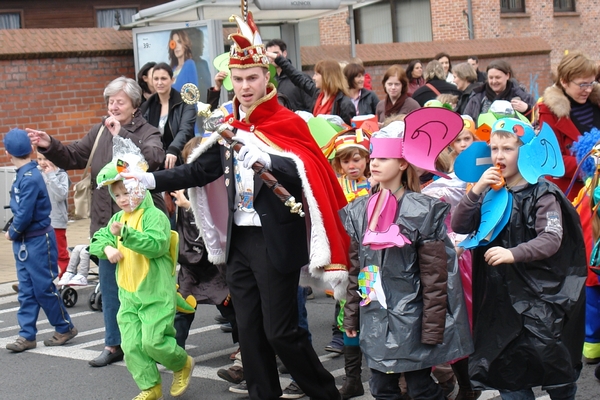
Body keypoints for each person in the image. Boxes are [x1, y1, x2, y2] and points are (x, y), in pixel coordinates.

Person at [125, 12, 349, 400]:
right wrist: (150, 179)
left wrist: (267, 159)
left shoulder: (287, 122)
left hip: (275, 239)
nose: (244, 87)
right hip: (239, 242)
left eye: (252, 79)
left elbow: (308, 172)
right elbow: (200, 171)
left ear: (267, 80)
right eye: (238, 80)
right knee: (249, 330)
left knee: (281, 331)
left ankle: (324, 393)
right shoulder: (227, 124)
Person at [27, 76, 166, 368]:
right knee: (110, 287)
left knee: (146, 288)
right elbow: (75, 156)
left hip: (140, 224)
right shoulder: (100, 131)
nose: (113, 107)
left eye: (120, 101)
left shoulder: (148, 131)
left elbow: (153, 158)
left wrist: (123, 136)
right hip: (106, 225)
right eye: (110, 101)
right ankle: (113, 343)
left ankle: (153, 341)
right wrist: (49, 143)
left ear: (134, 105)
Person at [451, 119, 586, 400]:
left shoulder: (542, 193)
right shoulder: (488, 191)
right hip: (501, 301)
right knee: (509, 374)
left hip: (543, 297)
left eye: (508, 149)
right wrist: (475, 191)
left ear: (524, 152)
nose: (499, 156)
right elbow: (460, 224)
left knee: (556, 370)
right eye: (494, 148)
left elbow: (551, 238)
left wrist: (513, 253)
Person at [341, 117, 472, 400]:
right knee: (382, 389)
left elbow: (436, 276)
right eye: (373, 156)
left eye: (384, 158)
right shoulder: (360, 211)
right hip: (376, 316)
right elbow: (359, 270)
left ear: (402, 164)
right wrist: (352, 314)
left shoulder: (422, 210)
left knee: (420, 389)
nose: (374, 163)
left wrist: (434, 326)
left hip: (414, 318)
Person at [90, 159, 194, 400]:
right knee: (132, 346)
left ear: (138, 187)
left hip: (155, 293)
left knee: (154, 342)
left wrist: (125, 235)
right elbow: (98, 239)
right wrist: (106, 249)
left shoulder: (154, 215)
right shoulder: (118, 219)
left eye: (126, 192)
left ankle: (182, 363)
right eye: (117, 195)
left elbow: (156, 245)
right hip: (128, 296)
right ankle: (150, 387)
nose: (122, 199)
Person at [4, 128, 78, 353]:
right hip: (27, 241)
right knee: (26, 289)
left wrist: (12, 231)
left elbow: (25, 212)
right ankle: (26, 334)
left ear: (8, 153)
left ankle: (64, 327)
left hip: (36, 239)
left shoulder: (29, 177)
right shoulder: (27, 174)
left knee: (43, 287)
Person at [170, 137, 237, 350]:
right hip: (190, 260)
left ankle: (245, 349)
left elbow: (215, 220)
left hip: (213, 261)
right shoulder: (184, 185)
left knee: (229, 306)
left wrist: (189, 205)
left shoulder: (216, 184)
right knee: (182, 306)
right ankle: (175, 350)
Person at [324, 131, 371, 399]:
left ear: (366, 158)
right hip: (346, 261)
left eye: (357, 159)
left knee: (372, 311)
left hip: (371, 263)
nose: (352, 165)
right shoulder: (336, 187)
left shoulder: (377, 184)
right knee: (347, 313)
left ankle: (385, 375)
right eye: (345, 161)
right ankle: (353, 379)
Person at [537, 51, 599, 199]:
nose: (588, 90)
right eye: (582, 84)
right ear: (564, 81)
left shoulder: (596, 103)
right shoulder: (549, 111)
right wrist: (591, 164)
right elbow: (552, 158)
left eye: (591, 83)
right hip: (574, 194)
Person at [268, 53, 356, 125]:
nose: (313, 77)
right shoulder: (317, 94)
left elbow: (348, 133)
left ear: (327, 77)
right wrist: (278, 58)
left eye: (317, 74)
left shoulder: (344, 104)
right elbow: (297, 77)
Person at [141, 62, 197, 170]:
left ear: (172, 80)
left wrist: (173, 150)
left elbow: (185, 130)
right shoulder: (146, 107)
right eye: (156, 79)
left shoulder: (184, 103)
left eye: (164, 78)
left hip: (181, 161)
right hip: (156, 164)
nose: (159, 82)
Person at [463, 59, 534, 122]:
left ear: (507, 76)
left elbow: (537, 121)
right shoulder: (477, 97)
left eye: (498, 77)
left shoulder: (521, 95)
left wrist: (527, 109)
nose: (494, 81)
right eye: (491, 78)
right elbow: (466, 122)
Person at [36, 151, 70, 276]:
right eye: (39, 159)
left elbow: (61, 195)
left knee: (60, 252)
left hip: (56, 220)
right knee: (42, 253)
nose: (42, 163)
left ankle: (65, 278)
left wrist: (51, 176)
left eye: (45, 158)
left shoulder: (61, 175)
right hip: (41, 220)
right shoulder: (37, 174)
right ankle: (44, 279)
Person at [265, 39, 313, 112]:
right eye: (269, 55)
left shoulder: (301, 79)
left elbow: (311, 106)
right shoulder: (269, 81)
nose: (272, 57)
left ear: (284, 53)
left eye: (275, 53)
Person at [184, 27, 212, 104]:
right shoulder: (186, 66)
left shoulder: (203, 64)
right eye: (201, 43)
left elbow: (209, 89)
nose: (203, 46)